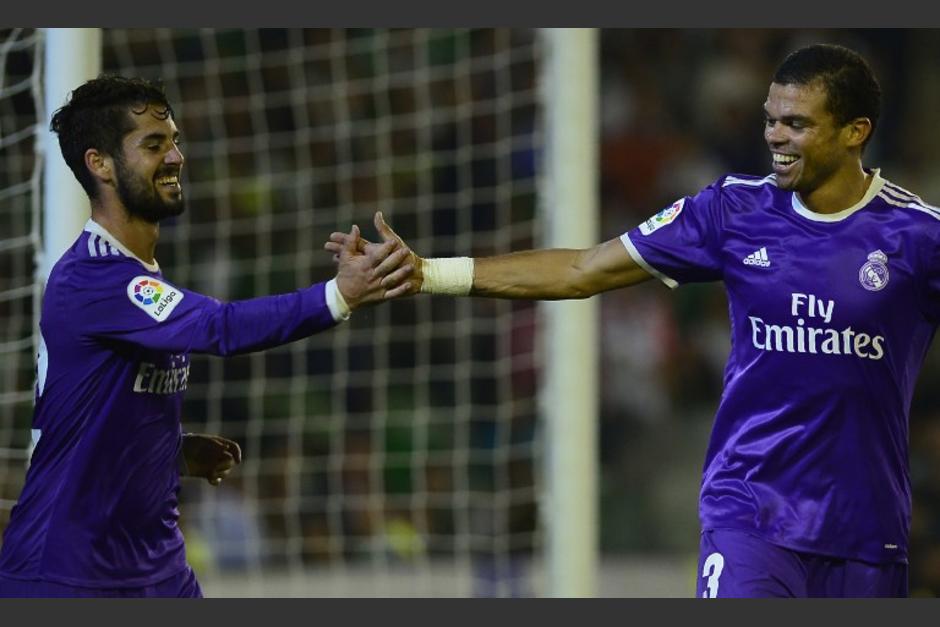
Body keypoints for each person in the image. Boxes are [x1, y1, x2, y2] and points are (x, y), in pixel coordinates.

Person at [328, 43, 937, 597]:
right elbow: (582, 270)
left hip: (866, 529)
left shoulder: (918, 237)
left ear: (857, 131)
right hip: (750, 513)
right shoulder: (731, 211)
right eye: (770, 118)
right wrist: (430, 273)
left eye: (797, 124)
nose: (776, 137)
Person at [0, 75, 412, 598]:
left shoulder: (137, 275)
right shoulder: (94, 278)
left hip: (158, 568)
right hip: (68, 575)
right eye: (153, 145)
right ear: (99, 163)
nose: (175, 156)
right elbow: (221, 328)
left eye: (173, 140)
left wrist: (168, 451)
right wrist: (340, 294)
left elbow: (96, 406)